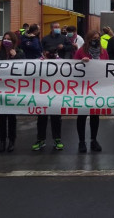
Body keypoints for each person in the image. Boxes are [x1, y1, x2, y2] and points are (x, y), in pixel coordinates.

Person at [29, 24, 64, 152]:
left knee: (56, 118)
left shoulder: (61, 63)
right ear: (44, 51)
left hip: (56, 94)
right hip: (42, 95)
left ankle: (57, 139)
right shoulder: (38, 62)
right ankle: (41, 139)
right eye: (47, 51)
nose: (50, 54)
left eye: (52, 52)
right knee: (41, 118)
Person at [74, 30, 109, 153]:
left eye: (98, 38)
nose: (96, 40)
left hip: (97, 87)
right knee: (82, 115)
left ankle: (94, 140)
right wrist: (81, 63)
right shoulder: (81, 51)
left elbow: (107, 68)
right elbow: (73, 68)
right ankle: (81, 141)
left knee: (95, 115)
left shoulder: (103, 52)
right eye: (94, 38)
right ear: (89, 39)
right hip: (83, 87)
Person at [0, 32, 25, 152]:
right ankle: (2, 141)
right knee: (1, 117)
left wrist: (16, 57)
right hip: (0, 88)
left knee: (11, 117)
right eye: (4, 39)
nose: (6, 41)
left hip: (13, 89)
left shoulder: (19, 52)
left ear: (14, 41)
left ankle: (11, 140)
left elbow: (25, 67)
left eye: (9, 39)